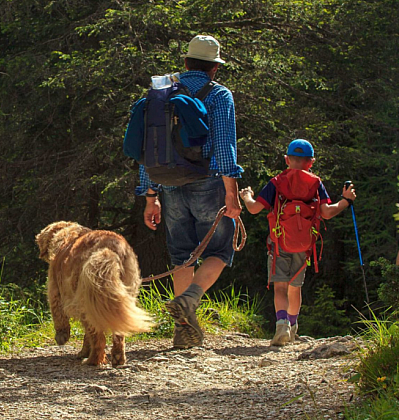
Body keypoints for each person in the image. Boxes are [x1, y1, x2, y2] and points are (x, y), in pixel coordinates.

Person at [136, 35, 243, 349]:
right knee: (221, 251)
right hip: (208, 182)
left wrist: (150, 195)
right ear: (214, 69)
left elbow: (149, 149)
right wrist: (231, 194)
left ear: (185, 64)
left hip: (168, 185)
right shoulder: (218, 95)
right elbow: (225, 149)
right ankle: (190, 300)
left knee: (182, 257)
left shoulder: (162, 93)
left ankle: (183, 332)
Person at [239, 139, 356, 346]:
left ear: (287, 160)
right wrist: (346, 200)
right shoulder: (315, 183)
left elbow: (255, 208)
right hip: (304, 245)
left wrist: (247, 196)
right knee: (295, 287)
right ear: (311, 162)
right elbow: (327, 213)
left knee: (280, 287)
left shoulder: (277, 182)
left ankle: (281, 325)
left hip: (279, 242)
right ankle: (293, 327)